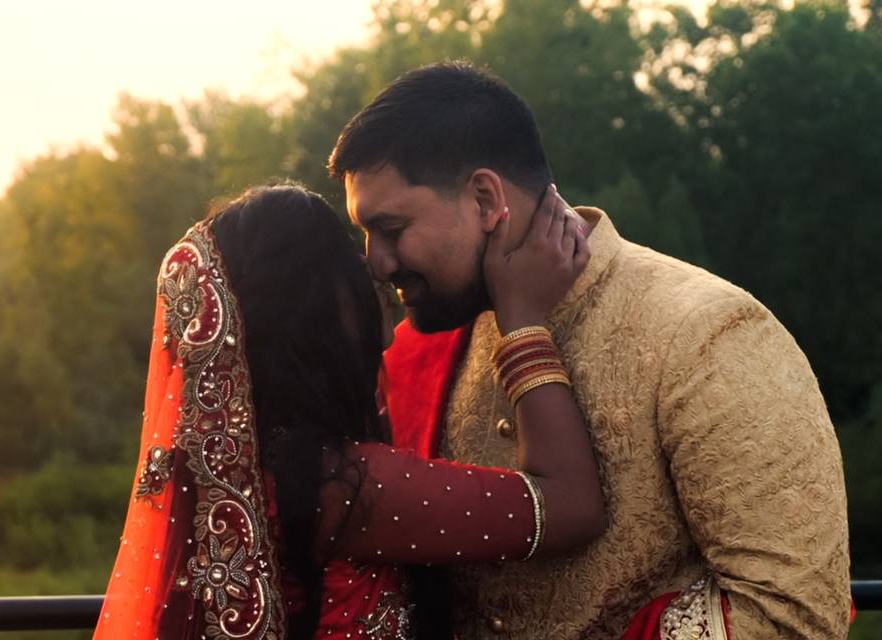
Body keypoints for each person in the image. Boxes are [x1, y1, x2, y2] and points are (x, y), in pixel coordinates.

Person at [329, 61, 852, 639]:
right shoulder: (424, 351)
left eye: (393, 229)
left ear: (484, 198)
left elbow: (791, 615)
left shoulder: (708, 333)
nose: (377, 261)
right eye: (367, 236)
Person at [95, 183, 604, 639]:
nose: (372, 267)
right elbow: (572, 506)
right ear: (309, 306)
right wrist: (521, 319)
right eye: (346, 255)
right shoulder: (345, 486)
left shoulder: (266, 470)